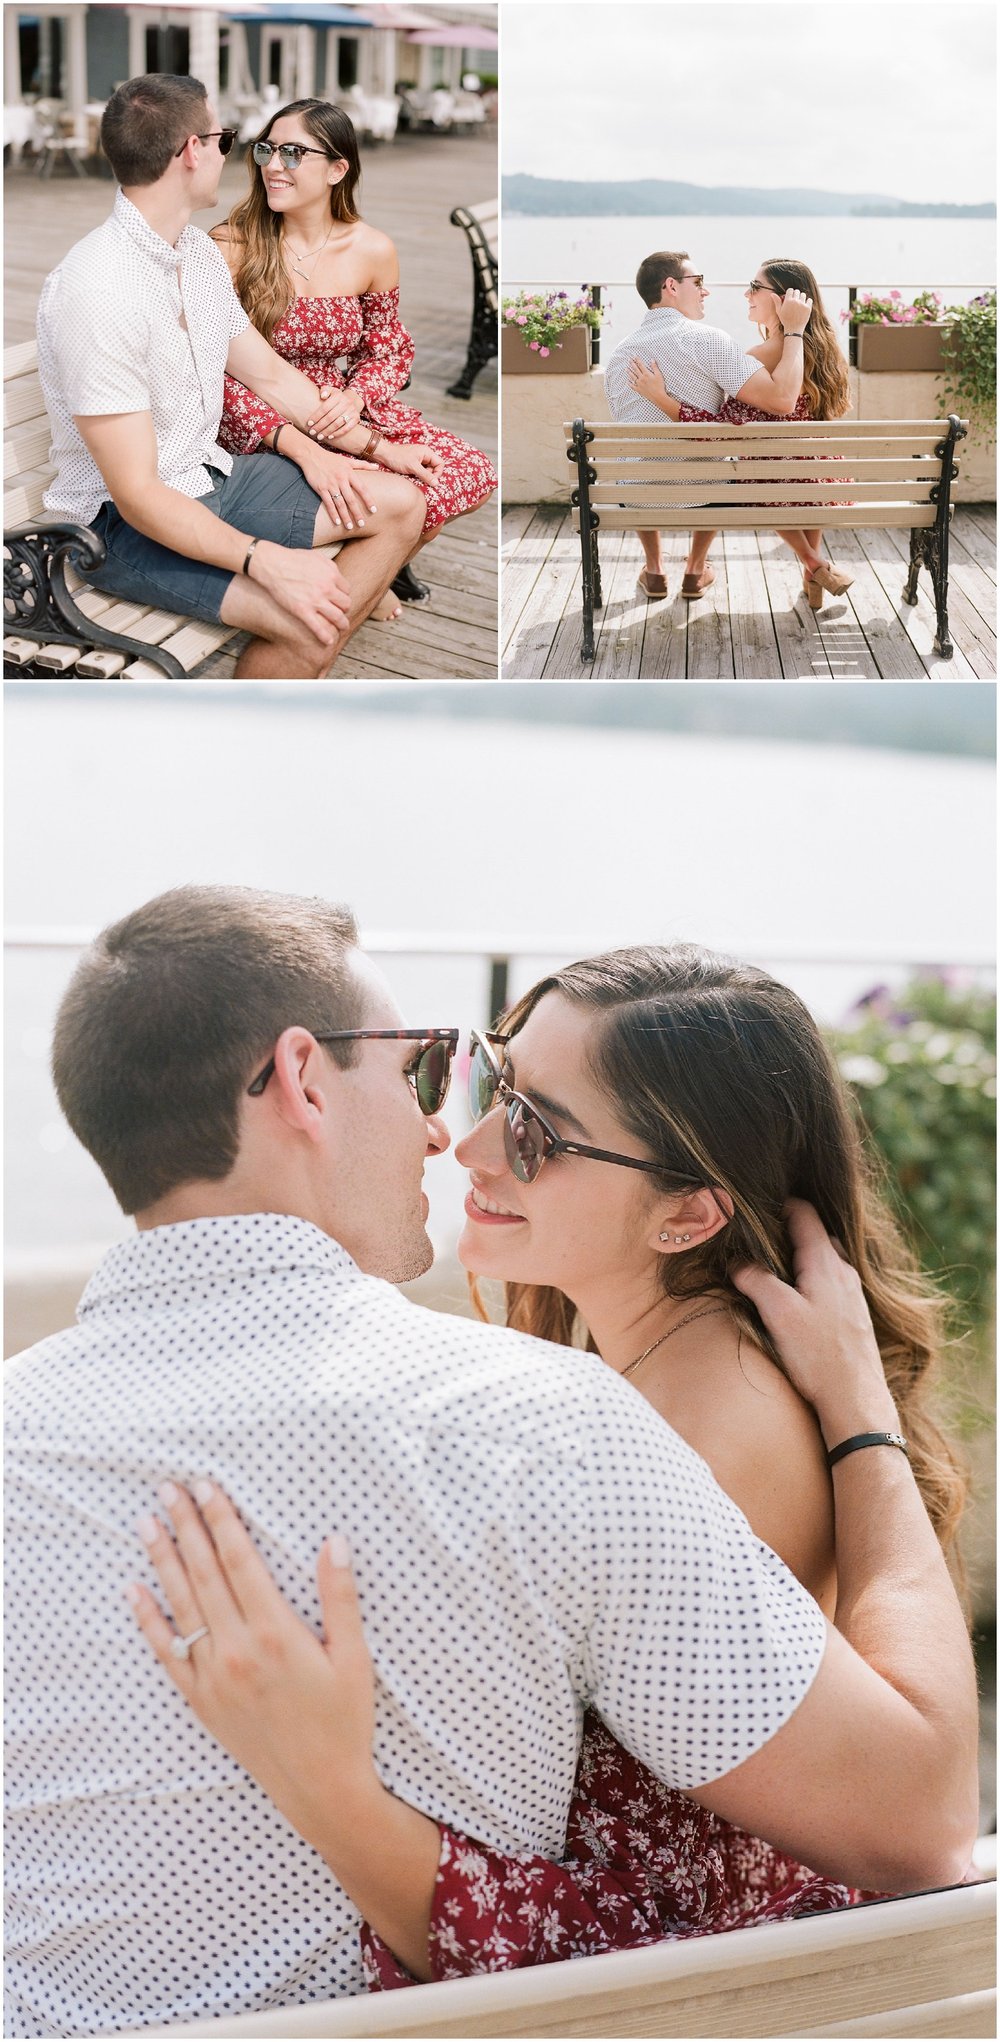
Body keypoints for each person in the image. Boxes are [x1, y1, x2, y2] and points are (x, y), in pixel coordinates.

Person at [5, 895, 977, 2036]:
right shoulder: (544, 1431)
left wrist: (340, 1796)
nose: (450, 1137)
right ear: (304, 1079)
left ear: (688, 1211)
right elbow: (907, 1822)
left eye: (523, 1125)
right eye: (444, 1074)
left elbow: (847, 1840)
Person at [35, 74, 427, 679]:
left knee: (402, 504)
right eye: (224, 139)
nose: (235, 155)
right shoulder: (99, 289)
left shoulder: (192, 253)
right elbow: (138, 495)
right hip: (117, 527)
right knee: (309, 617)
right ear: (192, 151)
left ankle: (290, 678)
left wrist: (378, 447)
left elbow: (268, 374)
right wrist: (261, 560)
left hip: (206, 475)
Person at [211, 98, 497, 620]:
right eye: (267, 150)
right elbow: (213, 367)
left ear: (338, 168)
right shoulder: (231, 246)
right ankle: (360, 584)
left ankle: (373, 569)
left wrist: (356, 395)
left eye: (294, 153)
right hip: (255, 413)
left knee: (465, 471)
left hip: (342, 403)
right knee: (374, 488)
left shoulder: (371, 249)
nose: (274, 165)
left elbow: (389, 349)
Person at [629, 258, 853, 610]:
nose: (746, 294)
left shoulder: (760, 356)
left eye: (755, 287)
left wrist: (662, 399)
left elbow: (717, 432)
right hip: (818, 482)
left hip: (768, 484)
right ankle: (813, 572)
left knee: (763, 474)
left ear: (783, 300)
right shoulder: (825, 353)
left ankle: (814, 564)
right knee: (805, 465)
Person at [603, 250, 812, 601]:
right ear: (671, 286)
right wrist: (793, 332)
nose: (705, 291)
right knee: (715, 462)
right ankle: (695, 569)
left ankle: (654, 569)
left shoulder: (619, 356)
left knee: (641, 458)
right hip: (706, 494)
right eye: (698, 283)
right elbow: (780, 401)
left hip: (637, 495)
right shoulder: (710, 342)